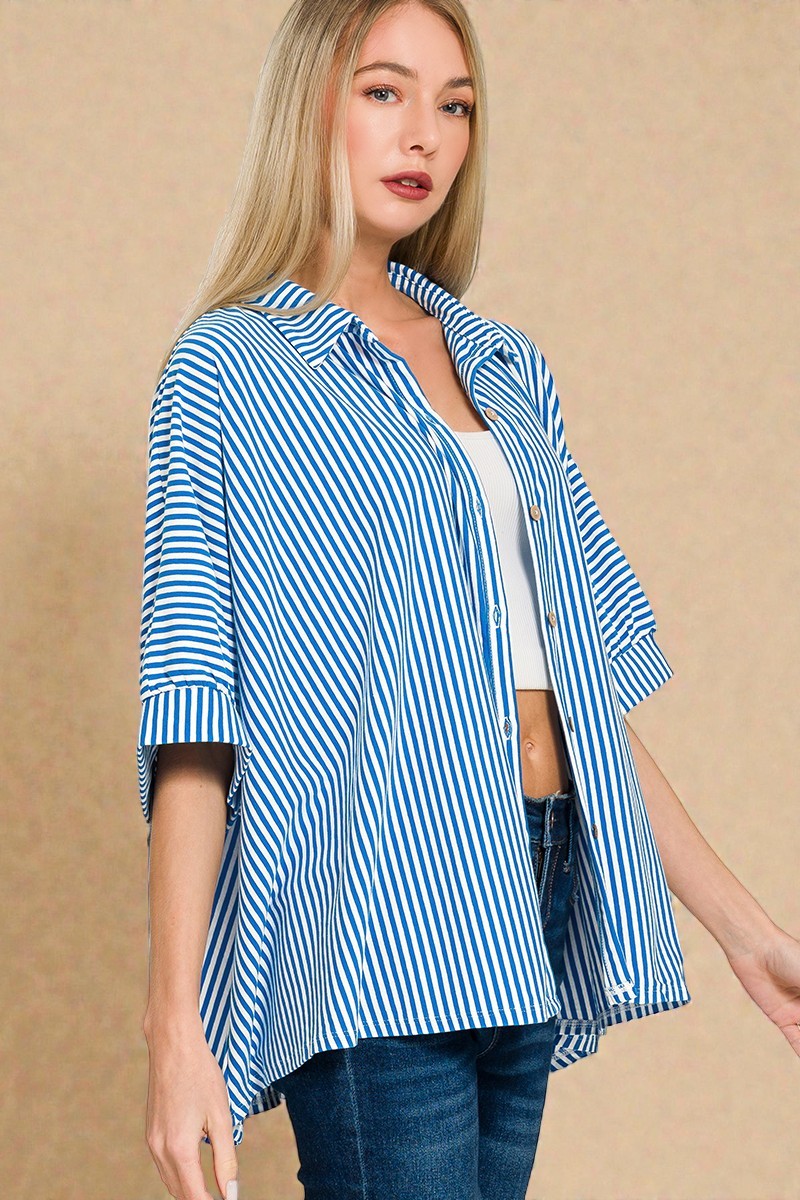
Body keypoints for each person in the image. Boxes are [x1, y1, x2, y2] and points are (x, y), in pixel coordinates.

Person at [138, 2, 800, 1198]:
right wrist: (174, 1025)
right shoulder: (230, 368)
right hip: (376, 911)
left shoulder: (503, 366)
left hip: (531, 887)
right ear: (309, 105)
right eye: (384, 91)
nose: (425, 136)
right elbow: (194, 711)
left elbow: (574, 692)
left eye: (455, 106)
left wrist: (746, 934)